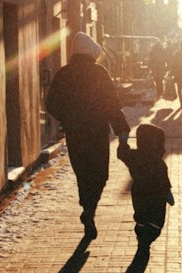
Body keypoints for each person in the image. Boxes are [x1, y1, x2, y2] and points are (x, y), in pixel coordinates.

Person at [45, 31, 130, 242]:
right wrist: (122, 130)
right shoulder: (99, 72)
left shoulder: (64, 73)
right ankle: (90, 210)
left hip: (76, 134)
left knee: (82, 174)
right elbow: (112, 103)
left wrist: (67, 118)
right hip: (97, 133)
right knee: (100, 175)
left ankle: (87, 208)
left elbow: (51, 103)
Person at [116, 122, 174, 262]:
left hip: (139, 192)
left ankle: (142, 237)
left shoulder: (134, 156)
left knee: (141, 216)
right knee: (156, 220)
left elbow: (123, 154)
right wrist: (168, 193)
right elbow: (163, 180)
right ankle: (146, 241)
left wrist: (123, 142)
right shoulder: (158, 163)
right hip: (157, 196)